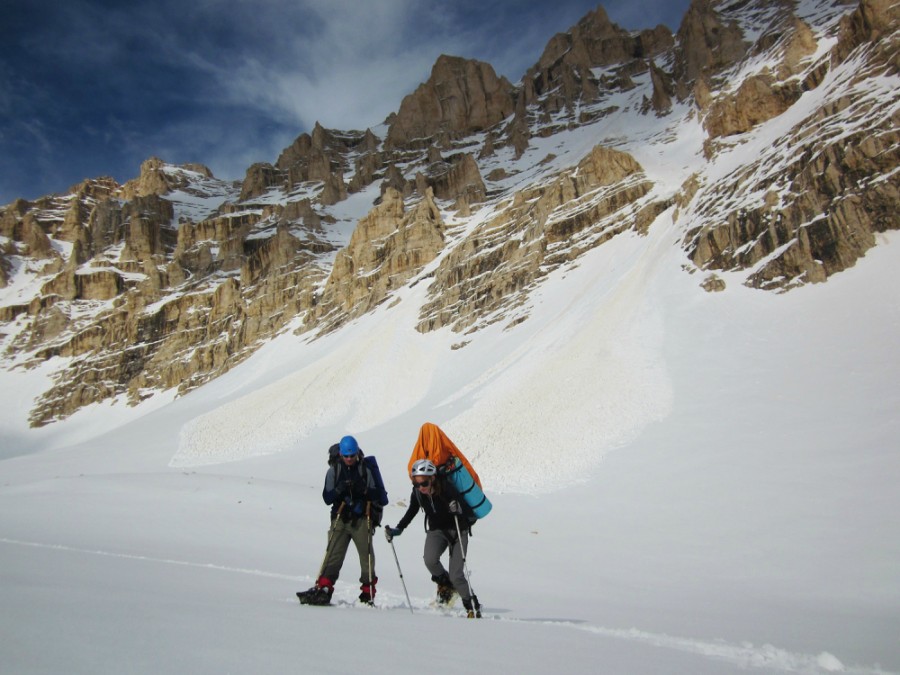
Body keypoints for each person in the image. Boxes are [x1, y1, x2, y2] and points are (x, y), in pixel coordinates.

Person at [297, 435, 387, 606]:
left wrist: (363, 493)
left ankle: (367, 592)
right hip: (340, 518)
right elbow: (327, 498)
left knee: (366, 555)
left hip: (361, 519)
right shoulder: (334, 471)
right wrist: (340, 491)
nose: (349, 459)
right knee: (333, 554)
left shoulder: (365, 470)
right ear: (340, 455)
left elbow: (379, 495)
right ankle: (325, 587)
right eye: (346, 456)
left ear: (357, 454)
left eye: (352, 456)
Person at [385, 459, 482, 618]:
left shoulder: (446, 487)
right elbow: (411, 511)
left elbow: (464, 508)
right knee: (430, 560)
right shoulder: (417, 493)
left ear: (432, 478)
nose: (420, 488)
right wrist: (398, 529)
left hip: (459, 531)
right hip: (437, 530)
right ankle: (446, 586)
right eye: (416, 484)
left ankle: (472, 606)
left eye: (423, 483)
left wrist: (457, 508)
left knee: (456, 575)